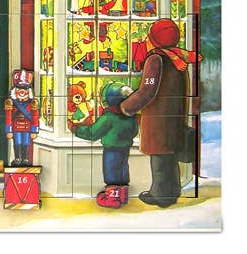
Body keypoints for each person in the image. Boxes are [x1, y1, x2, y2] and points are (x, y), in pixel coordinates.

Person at [120, 18, 202, 208]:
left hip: (158, 119)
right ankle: (172, 191)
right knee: (170, 156)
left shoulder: (155, 59)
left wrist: (126, 107)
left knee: (160, 158)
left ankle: (161, 195)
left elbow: (146, 90)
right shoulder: (178, 58)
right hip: (174, 116)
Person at [73, 81, 138, 208]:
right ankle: (123, 195)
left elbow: (92, 133)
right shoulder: (130, 117)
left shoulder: (108, 117)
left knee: (111, 171)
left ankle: (112, 199)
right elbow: (135, 131)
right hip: (125, 147)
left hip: (111, 148)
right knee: (123, 169)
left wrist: (76, 130)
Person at [5, 69, 39, 166]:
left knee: (26, 142)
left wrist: (34, 130)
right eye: (19, 88)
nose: (22, 91)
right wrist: (9, 130)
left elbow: (35, 117)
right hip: (16, 126)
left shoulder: (32, 103)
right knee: (17, 141)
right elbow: (8, 117)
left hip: (28, 127)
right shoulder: (11, 103)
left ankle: (25, 159)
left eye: (25, 89)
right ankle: (17, 158)